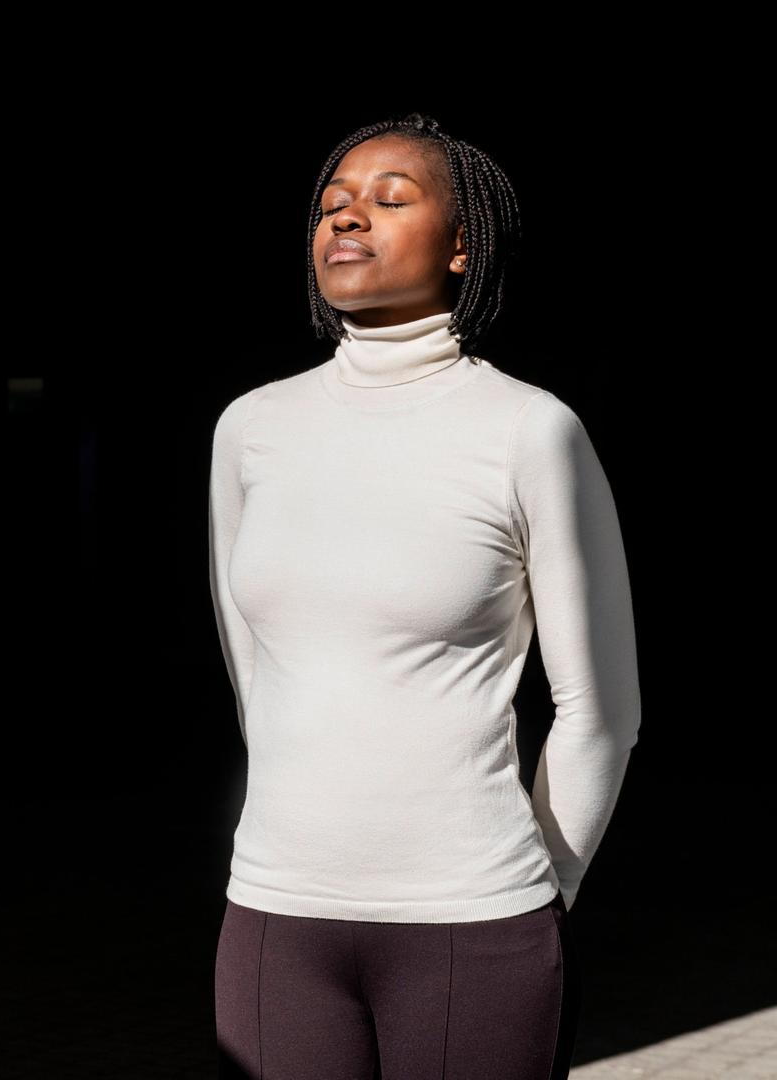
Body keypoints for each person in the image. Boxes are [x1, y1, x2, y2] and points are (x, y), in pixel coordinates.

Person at [208, 111, 641, 1080]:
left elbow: (601, 714)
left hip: (473, 928)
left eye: (389, 199)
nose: (347, 217)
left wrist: (539, 890)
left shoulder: (530, 432)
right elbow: (256, 676)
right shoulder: (250, 432)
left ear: (462, 246)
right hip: (275, 922)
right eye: (331, 205)